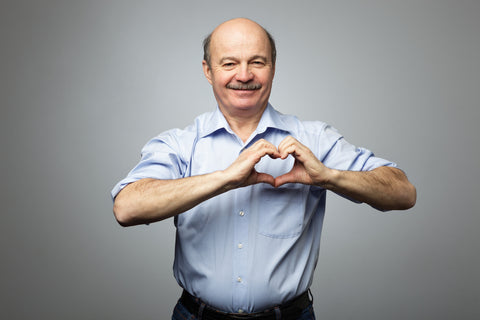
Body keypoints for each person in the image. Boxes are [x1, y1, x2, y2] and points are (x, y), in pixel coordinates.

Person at [111, 18, 416, 320]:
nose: (244, 75)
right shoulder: (180, 144)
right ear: (208, 70)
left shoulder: (314, 139)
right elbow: (126, 208)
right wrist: (224, 179)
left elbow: (403, 193)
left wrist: (328, 176)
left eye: (257, 62)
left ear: (273, 67)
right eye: (229, 64)